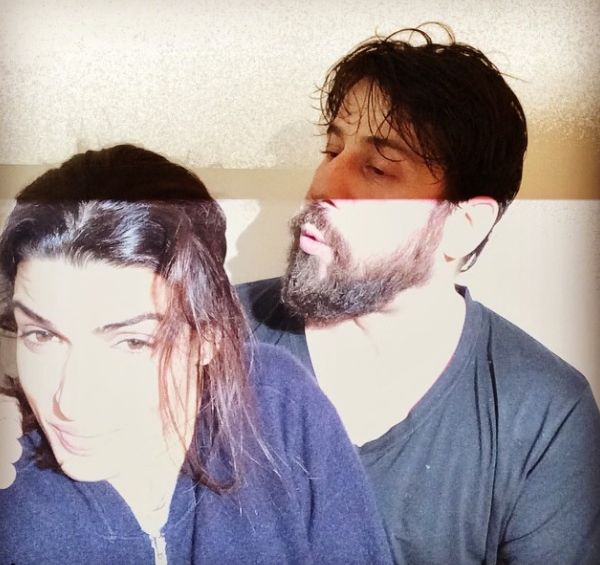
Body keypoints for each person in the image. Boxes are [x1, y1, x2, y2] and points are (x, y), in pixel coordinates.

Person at [236, 27, 600, 563]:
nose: (322, 185)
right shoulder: (212, 333)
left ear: (463, 226)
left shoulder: (541, 413)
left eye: (378, 168)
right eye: (331, 150)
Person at [0, 144, 392, 564]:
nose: (69, 402)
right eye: (42, 335)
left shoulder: (279, 404)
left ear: (207, 337)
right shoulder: (15, 502)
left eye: (132, 342)